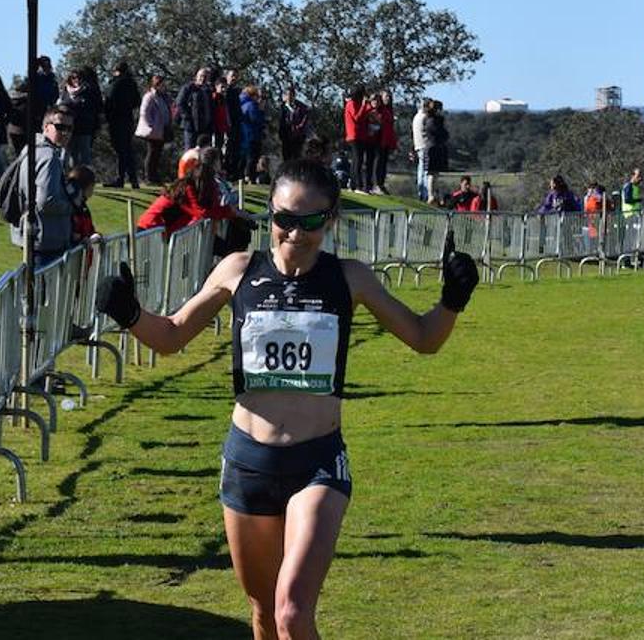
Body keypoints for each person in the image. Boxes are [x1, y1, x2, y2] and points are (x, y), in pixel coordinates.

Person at [96, 159, 479, 640]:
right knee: (262, 613)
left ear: (332, 219)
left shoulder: (350, 278)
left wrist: (452, 301)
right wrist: (128, 312)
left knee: (293, 613)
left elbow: (424, 338)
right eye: (284, 220)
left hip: (317, 463)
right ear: (269, 216)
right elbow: (172, 336)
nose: (295, 234)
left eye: (310, 222)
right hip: (248, 463)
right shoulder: (238, 270)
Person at [8, 106, 76, 266]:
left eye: (69, 128)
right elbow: (46, 201)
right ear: (46, 127)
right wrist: (71, 206)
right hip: (45, 239)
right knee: (44, 290)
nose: (65, 132)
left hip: (31, 235)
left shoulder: (30, 149)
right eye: (60, 127)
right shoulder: (49, 158)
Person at [103, 61, 141, 188]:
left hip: (116, 119)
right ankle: (133, 179)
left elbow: (109, 101)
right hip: (128, 119)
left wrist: (107, 115)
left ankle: (120, 178)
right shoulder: (131, 83)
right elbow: (137, 101)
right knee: (128, 149)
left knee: (119, 150)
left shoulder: (115, 84)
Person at [135, 74, 172, 185]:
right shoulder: (149, 96)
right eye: (161, 84)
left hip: (162, 129)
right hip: (153, 130)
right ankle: (149, 177)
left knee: (157, 153)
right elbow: (144, 112)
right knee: (152, 152)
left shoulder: (163, 97)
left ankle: (154, 176)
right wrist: (150, 125)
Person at [342, 86, 375, 193]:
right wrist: (364, 106)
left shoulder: (358, 104)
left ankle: (354, 184)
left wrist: (367, 107)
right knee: (358, 160)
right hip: (354, 135)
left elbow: (364, 115)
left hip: (360, 135)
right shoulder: (351, 104)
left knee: (358, 160)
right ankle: (356, 185)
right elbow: (357, 118)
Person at [176, 67, 214, 151]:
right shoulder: (188, 88)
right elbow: (179, 103)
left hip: (205, 128)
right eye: (201, 76)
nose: (203, 78)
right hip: (191, 127)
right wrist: (188, 118)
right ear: (196, 76)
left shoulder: (208, 90)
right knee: (190, 151)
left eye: (205, 76)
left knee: (203, 152)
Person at [66, 164, 101, 247]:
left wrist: (96, 236)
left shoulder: (83, 208)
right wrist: (82, 239)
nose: (92, 191)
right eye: (92, 187)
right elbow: (70, 234)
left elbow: (90, 230)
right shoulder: (69, 209)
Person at [239, 85, 266, 182]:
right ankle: (250, 176)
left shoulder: (243, 104)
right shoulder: (252, 105)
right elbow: (257, 120)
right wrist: (261, 111)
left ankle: (245, 175)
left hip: (245, 134)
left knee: (247, 157)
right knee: (252, 157)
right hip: (252, 134)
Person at [278, 86, 311, 163]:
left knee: (296, 158)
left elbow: (305, 119)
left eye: (291, 95)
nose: (289, 97)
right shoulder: (282, 108)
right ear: (285, 96)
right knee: (286, 157)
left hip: (297, 137)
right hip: (285, 136)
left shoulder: (301, 107)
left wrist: (299, 127)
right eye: (288, 95)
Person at [373, 90, 397, 194]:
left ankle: (381, 183)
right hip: (379, 140)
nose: (388, 98)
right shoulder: (379, 110)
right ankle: (376, 184)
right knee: (378, 163)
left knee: (383, 163)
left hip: (387, 141)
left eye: (390, 97)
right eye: (386, 96)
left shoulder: (389, 110)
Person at [223, 69, 245, 179]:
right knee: (226, 149)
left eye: (236, 76)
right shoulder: (225, 90)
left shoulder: (237, 92)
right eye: (232, 76)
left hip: (236, 124)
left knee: (234, 149)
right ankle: (226, 171)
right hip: (226, 124)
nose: (234, 78)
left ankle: (233, 172)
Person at [411, 99, 431, 202]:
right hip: (424, 145)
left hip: (418, 145)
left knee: (421, 169)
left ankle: (421, 192)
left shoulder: (416, 117)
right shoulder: (424, 118)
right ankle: (424, 193)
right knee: (425, 171)